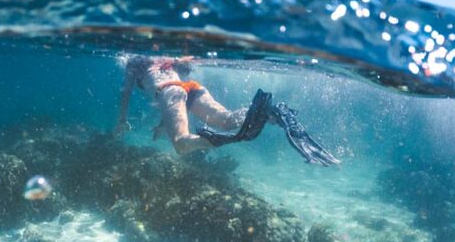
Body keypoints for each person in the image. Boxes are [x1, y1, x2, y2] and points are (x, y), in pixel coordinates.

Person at [114, 55, 339, 165]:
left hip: (170, 91)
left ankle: (214, 140)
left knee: (181, 145)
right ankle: (270, 112)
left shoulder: (134, 63)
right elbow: (175, 97)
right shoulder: (164, 61)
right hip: (190, 88)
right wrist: (165, 123)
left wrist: (122, 120)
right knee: (229, 120)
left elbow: (126, 93)